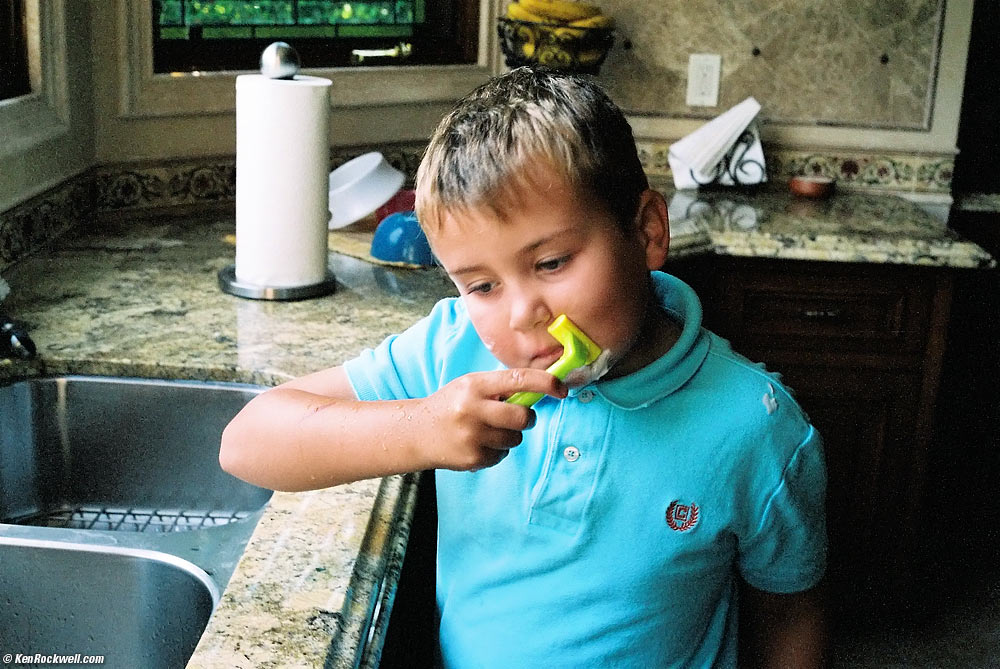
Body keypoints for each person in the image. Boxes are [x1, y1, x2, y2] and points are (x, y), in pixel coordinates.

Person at [220, 67, 828, 668]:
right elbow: (247, 442)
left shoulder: (758, 426)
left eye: (552, 262)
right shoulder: (453, 350)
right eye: (481, 284)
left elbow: (790, 614)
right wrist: (420, 428)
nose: (521, 315)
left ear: (645, 232)